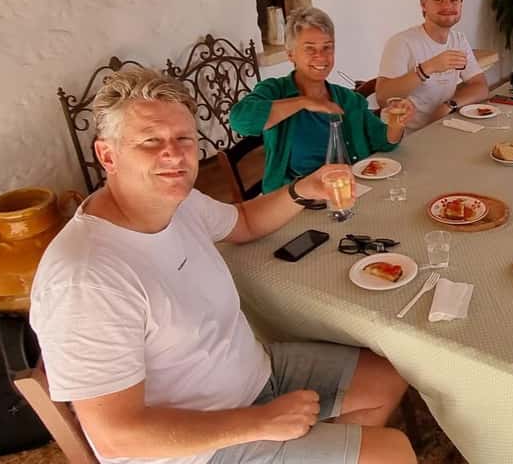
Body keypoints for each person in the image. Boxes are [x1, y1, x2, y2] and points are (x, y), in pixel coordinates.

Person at [30, 67, 416, 464]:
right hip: (193, 448)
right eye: (150, 141)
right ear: (107, 155)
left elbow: (244, 222)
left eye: (183, 138)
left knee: (387, 376)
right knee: (393, 454)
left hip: (253, 376)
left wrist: (304, 189)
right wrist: (260, 423)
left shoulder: (178, 202)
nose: (174, 154)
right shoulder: (86, 279)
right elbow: (117, 438)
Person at [230, 7, 408, 194]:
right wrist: (305, 102)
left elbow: (384, 142)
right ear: (291, 54)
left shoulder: (347, 99)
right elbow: (239, 120)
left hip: (348, 192)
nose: (321, 56)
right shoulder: (275, 90)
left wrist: (397, 123)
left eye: (327, 47)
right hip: (296, 200)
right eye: (310, 49)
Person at [375, 0, 489, 129]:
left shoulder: (458, 40)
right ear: (423, 4)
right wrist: (428, 68)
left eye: (454, 0)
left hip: (441, 128)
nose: (447, 6)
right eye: (438, 0)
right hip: (404, 136)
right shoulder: (401, 42)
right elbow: (383, 97)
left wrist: (449, 105)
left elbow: (480, 86)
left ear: (461, 4)